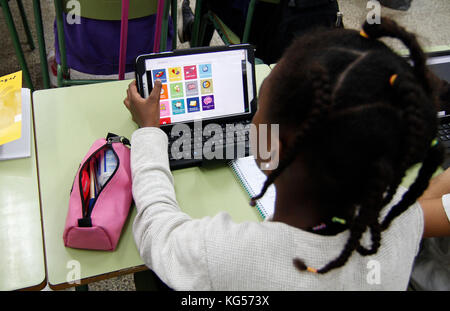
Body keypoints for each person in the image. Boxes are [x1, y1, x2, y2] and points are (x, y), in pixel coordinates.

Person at [123, 18, 450, 290]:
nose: (252, 121)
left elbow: (157, 231)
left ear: (274, 152)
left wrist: (149, 132)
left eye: (258, 113)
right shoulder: (404, 219)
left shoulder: (227, 255)